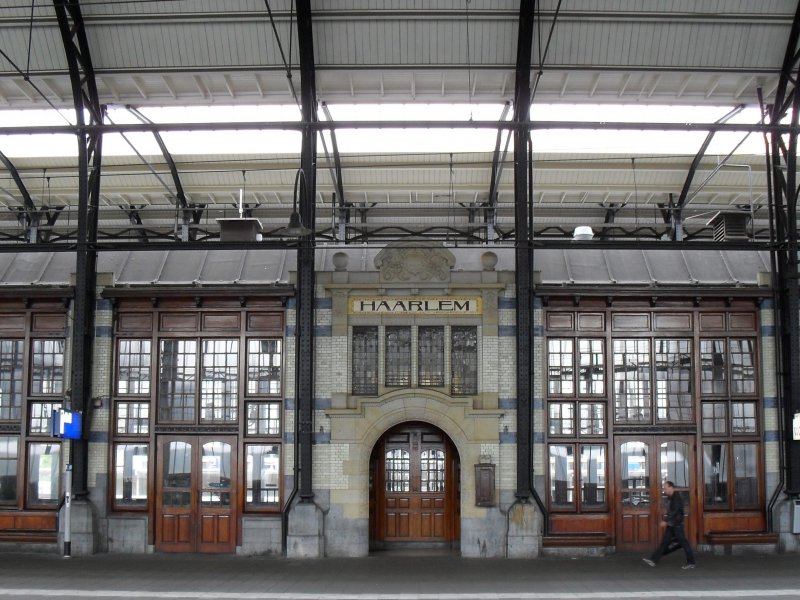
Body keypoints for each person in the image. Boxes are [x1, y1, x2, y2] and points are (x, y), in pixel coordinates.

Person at [642, 480, 696, 569]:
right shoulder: (671, 497)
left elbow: (674, 512)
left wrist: (666, 521)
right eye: (664, 488)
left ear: (671, 488)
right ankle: (653, 560)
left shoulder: (676, 498)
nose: (664, 490)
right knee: (665, 542)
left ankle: (691, 562)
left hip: (677, 524)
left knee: (683, 543)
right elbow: (672, 512)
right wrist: (668, 522)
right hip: (672, 524)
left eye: (666, 488)